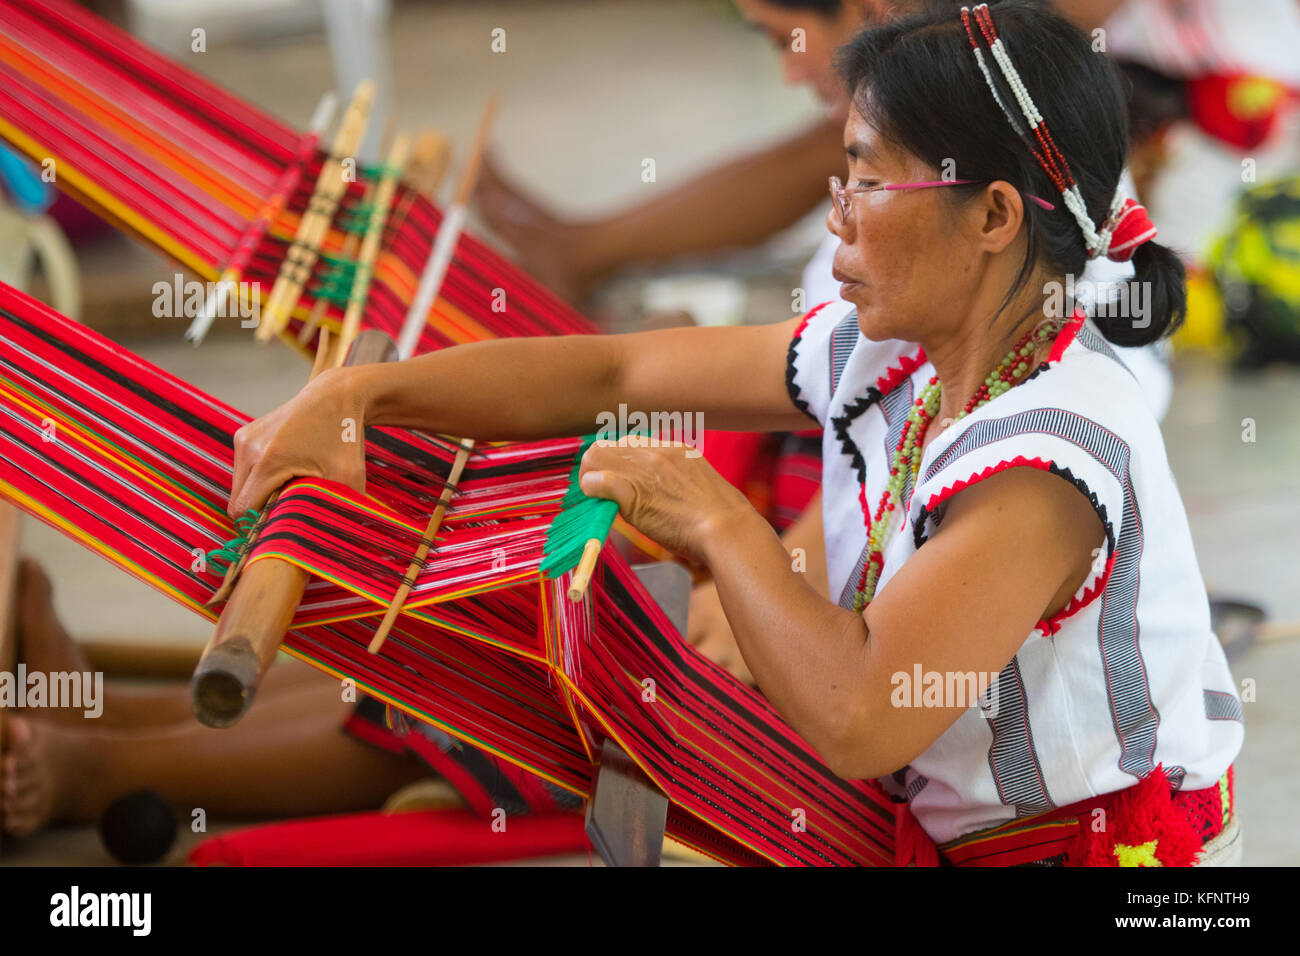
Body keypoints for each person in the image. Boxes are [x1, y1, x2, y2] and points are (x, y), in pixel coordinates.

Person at [227, 1, 1242, 865]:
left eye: (870, 181)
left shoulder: (1044, 459)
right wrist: (363, 398)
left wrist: (719, 524)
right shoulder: (896, 349)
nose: (836, 218)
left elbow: (859, 712)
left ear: (992, 217)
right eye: (839, 179)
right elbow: (616, 370)